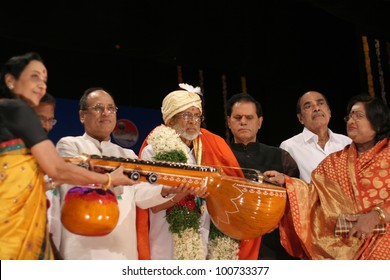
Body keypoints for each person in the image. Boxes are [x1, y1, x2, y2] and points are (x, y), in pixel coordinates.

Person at [0, 52, 135, 260]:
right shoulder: (17, 110)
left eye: (44, 79)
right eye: (34, 76)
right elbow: (58, 169)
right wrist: (108, 179)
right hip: (12, 228)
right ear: (10, 81)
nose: (42, 85)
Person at [49, 87, 201, 260]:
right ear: (82, 115)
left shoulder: (128, 155)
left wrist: (165, 189)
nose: (106, 113)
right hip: (82, 248)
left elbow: (140, 195)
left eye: (111, 108)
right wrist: (111, 179)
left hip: (122, 250)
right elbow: (74, 178)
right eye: (98, 108)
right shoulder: (70, 145)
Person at [139, 83, 258, 260]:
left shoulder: (210, 147)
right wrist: (182, 192)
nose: (193, 121)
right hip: (168, 242)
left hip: (205, 238)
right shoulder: (154, 151)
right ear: (170, 120)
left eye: (197, 116)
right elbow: (149, 203)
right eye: (186, 115)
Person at [265, 94, 390, 259]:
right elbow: (314, 195)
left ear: (378, 124)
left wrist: (376, 216)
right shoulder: (333, 161)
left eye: (359, 116)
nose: (351, 121)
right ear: (300, 118)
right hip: (345, 248)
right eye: (350, 116)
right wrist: (287, 182)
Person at [226, 92, 300, 260]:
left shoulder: (280, 156)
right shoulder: (219, 155)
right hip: (230, 241)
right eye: (237, 117)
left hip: (273, 243)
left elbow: (300, 196)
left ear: (260, 122)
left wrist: (286, 181)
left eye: (249, 117)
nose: (243, 122)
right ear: (229, 121)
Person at [280, 91, 352, 182]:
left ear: (329, 112)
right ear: (300, 118)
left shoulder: (347, 142)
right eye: (308, 106)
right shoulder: (289, 147)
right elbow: (288, 186)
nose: (316, 108)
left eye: (320, 103)